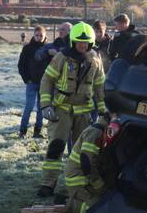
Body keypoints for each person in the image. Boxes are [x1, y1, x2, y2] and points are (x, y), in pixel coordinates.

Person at [37, 22, 107, 197]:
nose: (82, 45)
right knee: (56, 146)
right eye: (79, 42)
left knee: (82, 152)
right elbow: (47, 80)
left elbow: (100, 87)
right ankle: (48, 183)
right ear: (73, 42)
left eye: (86, 42)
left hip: (83, 112)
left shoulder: (95, 61)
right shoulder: (62, 57)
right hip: (61, 110)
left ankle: (78, 185)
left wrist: (104, 110)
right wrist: (46, 105)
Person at [60, 117, 110, 213]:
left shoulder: (104, 130)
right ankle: (69, 205)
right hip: (79, 181)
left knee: (108, 202)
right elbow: (87, 163)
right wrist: (99, 186)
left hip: (87, 178)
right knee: (100, 211)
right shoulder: (96, 132)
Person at [17, 25, 47, 137]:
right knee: (29, 106)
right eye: (37, 35)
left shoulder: (47, 49)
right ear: (33, 35)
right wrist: (27, 79)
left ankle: (37, 130)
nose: (39, 37)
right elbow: (21, 65)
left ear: (45, 36)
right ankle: (22, 130)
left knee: (41, 108)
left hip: (44, 83)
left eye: (41, 35)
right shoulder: (28, 48)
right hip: (31, 83)